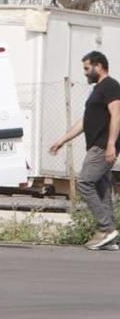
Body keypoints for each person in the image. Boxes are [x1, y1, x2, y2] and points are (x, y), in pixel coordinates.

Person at [48, 51, 120, 251]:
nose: (86, 73)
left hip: (102, 147)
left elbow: (117, 115)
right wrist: (62, 140)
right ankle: (109, 236)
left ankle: (105, 228)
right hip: (97, 145)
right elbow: (85, 121)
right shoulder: (97, 90)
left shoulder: (111, 86)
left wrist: (111, 144)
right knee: (102, 190)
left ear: (99, 66)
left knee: (85, 183)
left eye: (87, 69)